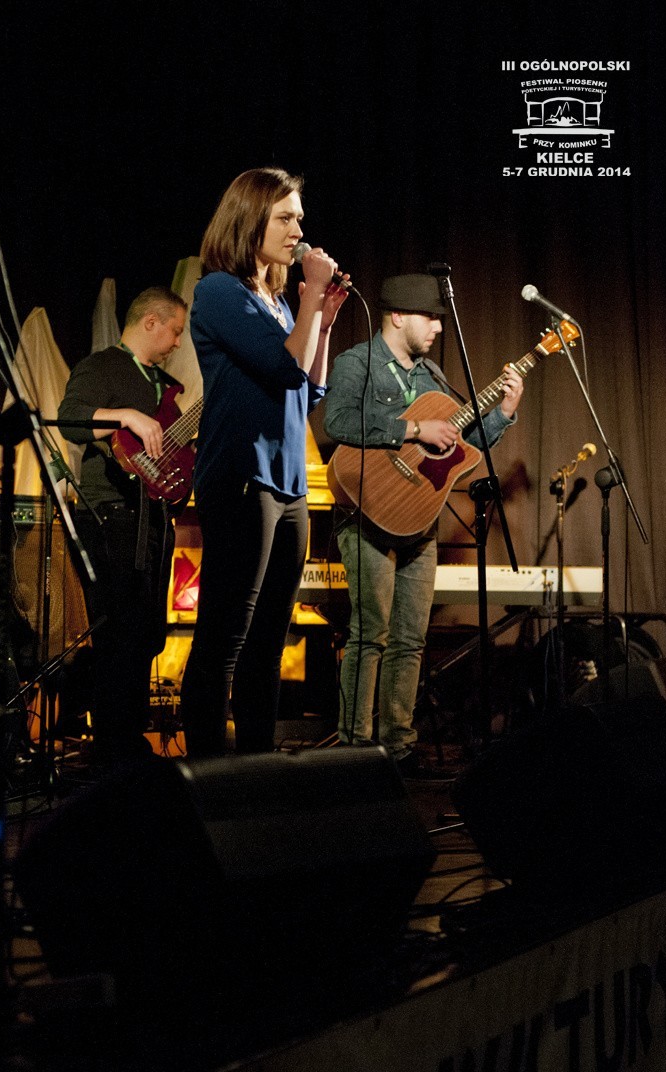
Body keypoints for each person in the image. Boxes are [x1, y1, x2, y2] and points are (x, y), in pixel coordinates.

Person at [323, 273, 524, 776]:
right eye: (429, 317)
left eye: (439, 317)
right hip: (366, 513)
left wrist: (502, 413)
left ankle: (399, 747)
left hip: (418, 517)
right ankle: (355, 752)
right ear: (396, 316)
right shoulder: (357, 363)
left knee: (411, 638)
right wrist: (412, 428)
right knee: (371, 636)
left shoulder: (432, 374)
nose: (438, 326)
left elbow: (462, 446)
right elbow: (336, 422)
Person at [179, 166, 349, 757]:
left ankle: (255, 769)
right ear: (251, 221)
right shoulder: (220, 292)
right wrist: (308, 310)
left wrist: (321, 319)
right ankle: (205, 774)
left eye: (299, 216)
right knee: (225, 637)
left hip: (291, 486)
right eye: (286, 217)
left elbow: (311, 392)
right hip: (241, 479)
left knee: (270, 642)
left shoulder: (277, 304)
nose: (299, 228)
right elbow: (281, 368)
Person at [58, 285, 188, 765]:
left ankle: (128, 747)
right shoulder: (101, 366)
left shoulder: (165, 384)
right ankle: (113, 750)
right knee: (119, 633)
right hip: (109, 513)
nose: (178, 342)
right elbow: (69, 420)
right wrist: (125, 416)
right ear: (150, 322)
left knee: (148, 635)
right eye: (174, 331)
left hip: (154, 518)